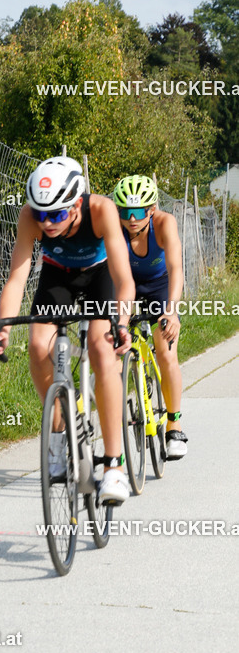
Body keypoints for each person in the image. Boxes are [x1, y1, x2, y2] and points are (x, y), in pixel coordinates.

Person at [0, 155, 136, 504]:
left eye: (56, 214)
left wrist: (121, 323)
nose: (47, 223)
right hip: (58, 275)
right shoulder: (30, 216)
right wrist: (3, 328)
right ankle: (56, 439)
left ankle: (114, 467)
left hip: (100, 275)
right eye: (41, 214)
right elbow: (18, 277)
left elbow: (124, 280)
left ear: (76, 203)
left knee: (100, 348)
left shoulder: (101, 210)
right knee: (38, 345)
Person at [113, 174, 187, 459]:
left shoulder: (164, 223)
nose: (132, 219)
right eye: (125, 212)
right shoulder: (114, 228)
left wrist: (171, 310)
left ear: (152, 209)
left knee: (166, 351)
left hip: (159, 286)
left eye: (139, 211)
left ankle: (174, 424)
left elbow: (176, 268)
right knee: (115, 344)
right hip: (125, 285)